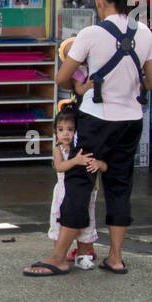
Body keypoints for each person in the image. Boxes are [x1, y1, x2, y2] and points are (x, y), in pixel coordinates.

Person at [25, 0, 152, 277]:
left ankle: (60, 256)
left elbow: (62, 79)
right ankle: (115, 257)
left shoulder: (90, 34)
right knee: (119, 185)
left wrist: (85, 87)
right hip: (131, 121)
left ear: (100, 2)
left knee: (79, 182)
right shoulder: (145, 34)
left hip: (97, 121)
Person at [35, 107, 105, 275]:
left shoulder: (84, 149)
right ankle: (59, 253)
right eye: (60, 130)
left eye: (70, 130)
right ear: (55, 132)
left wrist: (98, 166)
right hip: (62, 194)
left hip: (85, 195)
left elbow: (102, 165)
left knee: (85, 224)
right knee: (59, 223)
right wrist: (76, 161)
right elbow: (60, 167)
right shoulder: (58, 150)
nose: (65, 134)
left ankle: (83, 255)